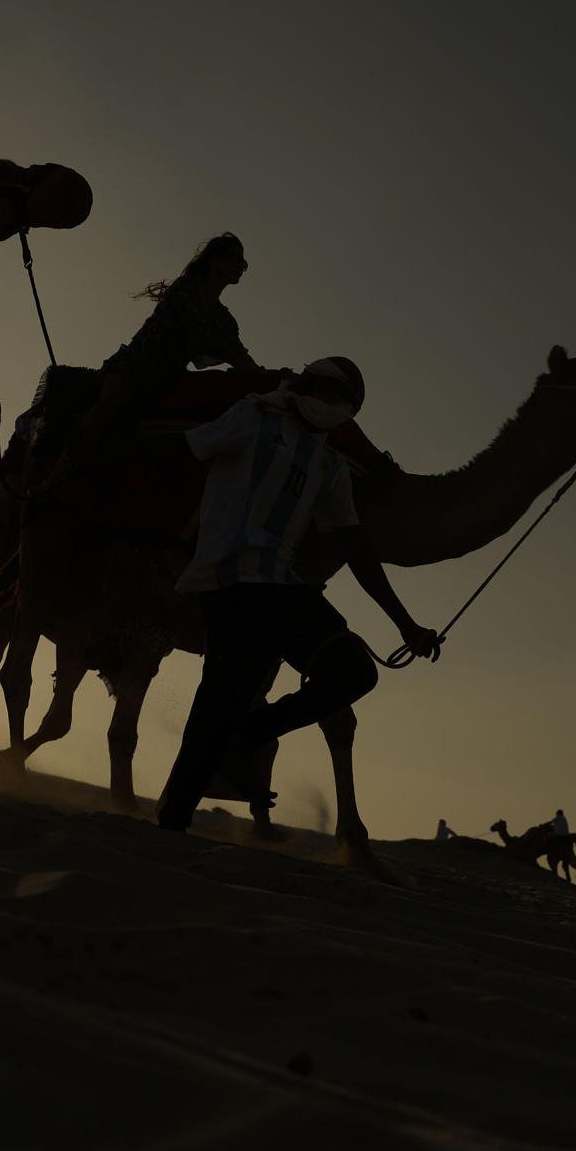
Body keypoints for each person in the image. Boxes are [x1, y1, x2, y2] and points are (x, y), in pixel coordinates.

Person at [146, 356, 441, 832]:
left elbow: (355, 545)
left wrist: (405, 625)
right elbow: (187, 450)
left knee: (354, 672)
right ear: (306, 386)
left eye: (340, 401)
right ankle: (176, 815)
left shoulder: (329, 463)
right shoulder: (252, 417)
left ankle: (247, 738)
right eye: (325, 393)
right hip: (230, 583)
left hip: (283, 586)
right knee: (223, 697)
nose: (331, 405)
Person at [59, 233, 262, 468]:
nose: (240, 266)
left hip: (169, 376)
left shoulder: (224, 320)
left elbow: (239, 357)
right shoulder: (186, 288)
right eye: (235, 258)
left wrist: (265, 376)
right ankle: (58, 472)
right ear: (214, 260)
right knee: (106, 407)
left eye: (243, 263)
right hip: (136, 364)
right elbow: (191, 330)